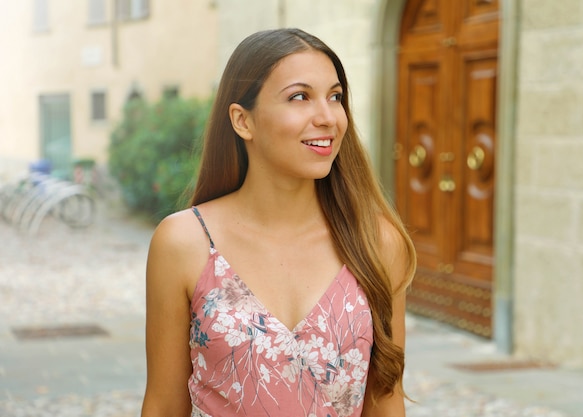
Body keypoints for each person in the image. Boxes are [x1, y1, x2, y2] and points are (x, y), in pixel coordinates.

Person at [141, 28, 417, 417]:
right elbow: (164, 405)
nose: (327, 118)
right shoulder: (185, 242)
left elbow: (386, 401)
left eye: (335, 97)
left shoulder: (377, 243)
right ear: (243, 121)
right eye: (300, 97)